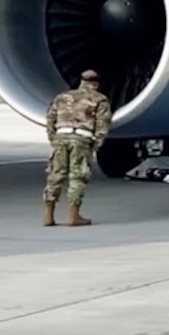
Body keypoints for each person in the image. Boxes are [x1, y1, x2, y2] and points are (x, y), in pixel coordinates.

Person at [43, 68, 111, 227]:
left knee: (55, 175)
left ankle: (48, 215)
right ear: (96, 83)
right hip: (81, 139)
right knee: (77, 176)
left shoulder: (62, 97)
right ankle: (73, 216)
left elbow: (50, 118)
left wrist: (53, 138)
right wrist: (95, 145)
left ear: (81, 81)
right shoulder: (100, 100)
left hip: (61, 137)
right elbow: (102, 126)